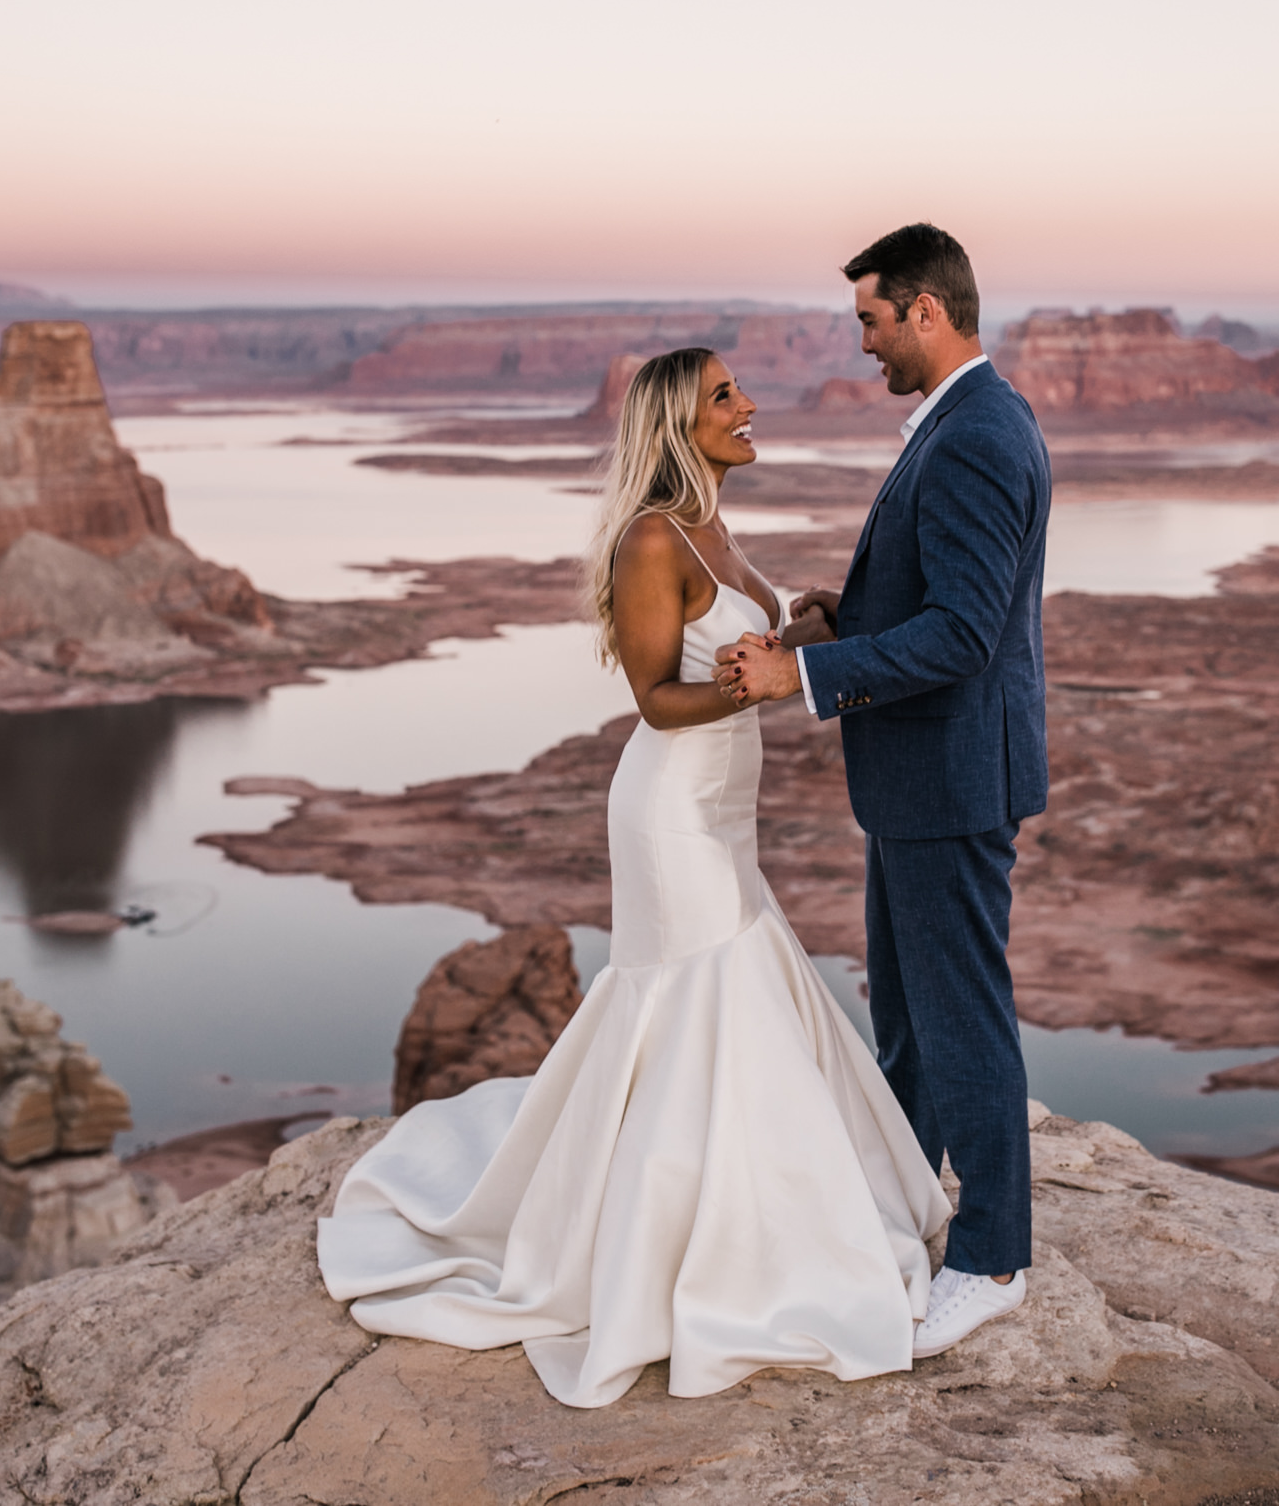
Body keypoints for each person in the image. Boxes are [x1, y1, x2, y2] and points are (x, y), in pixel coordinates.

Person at [315, 345, 950, 1409]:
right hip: (669, 812)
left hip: (722, 811)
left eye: (740, 391)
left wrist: (804, 634)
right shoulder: (653, 538)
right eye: (723, 397)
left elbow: (745, 658)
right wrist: (767, 680)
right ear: (674, 424)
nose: (748, 406)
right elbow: (660, 697)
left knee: (727, 991)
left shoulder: (713, 525)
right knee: (704, 995)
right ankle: (690, 1243)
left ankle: (717, 1207)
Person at [715, 223, 1050, 1359]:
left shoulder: (970, 435)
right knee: (906, 1017)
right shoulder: (966, 420)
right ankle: (902, 1209)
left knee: (961, 1017)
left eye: (868, 319)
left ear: (922, 308)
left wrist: (797, 671)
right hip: (921, 779)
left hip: (950, 777)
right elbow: (944, 600)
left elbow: (962, 632)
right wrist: (843, 617)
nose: (859, 343)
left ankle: (993, 1253)